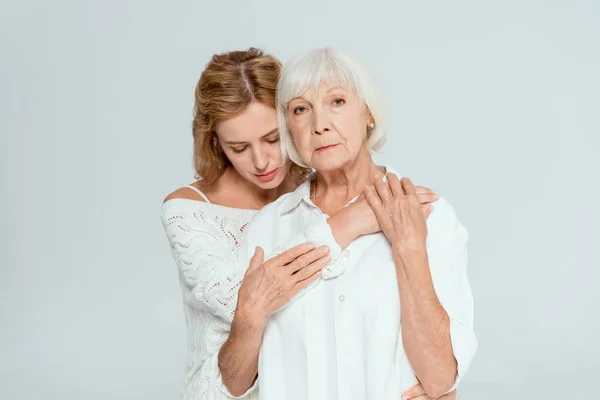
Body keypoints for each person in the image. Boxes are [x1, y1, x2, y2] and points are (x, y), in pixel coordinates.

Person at [162, 48, 442, 400]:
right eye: (239, 147)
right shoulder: (187, 210)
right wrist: (348, 221)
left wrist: (429, 382)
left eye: (272, 138)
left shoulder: (314, 188)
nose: (262, 161)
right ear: (216, 143)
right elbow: (242, 303)